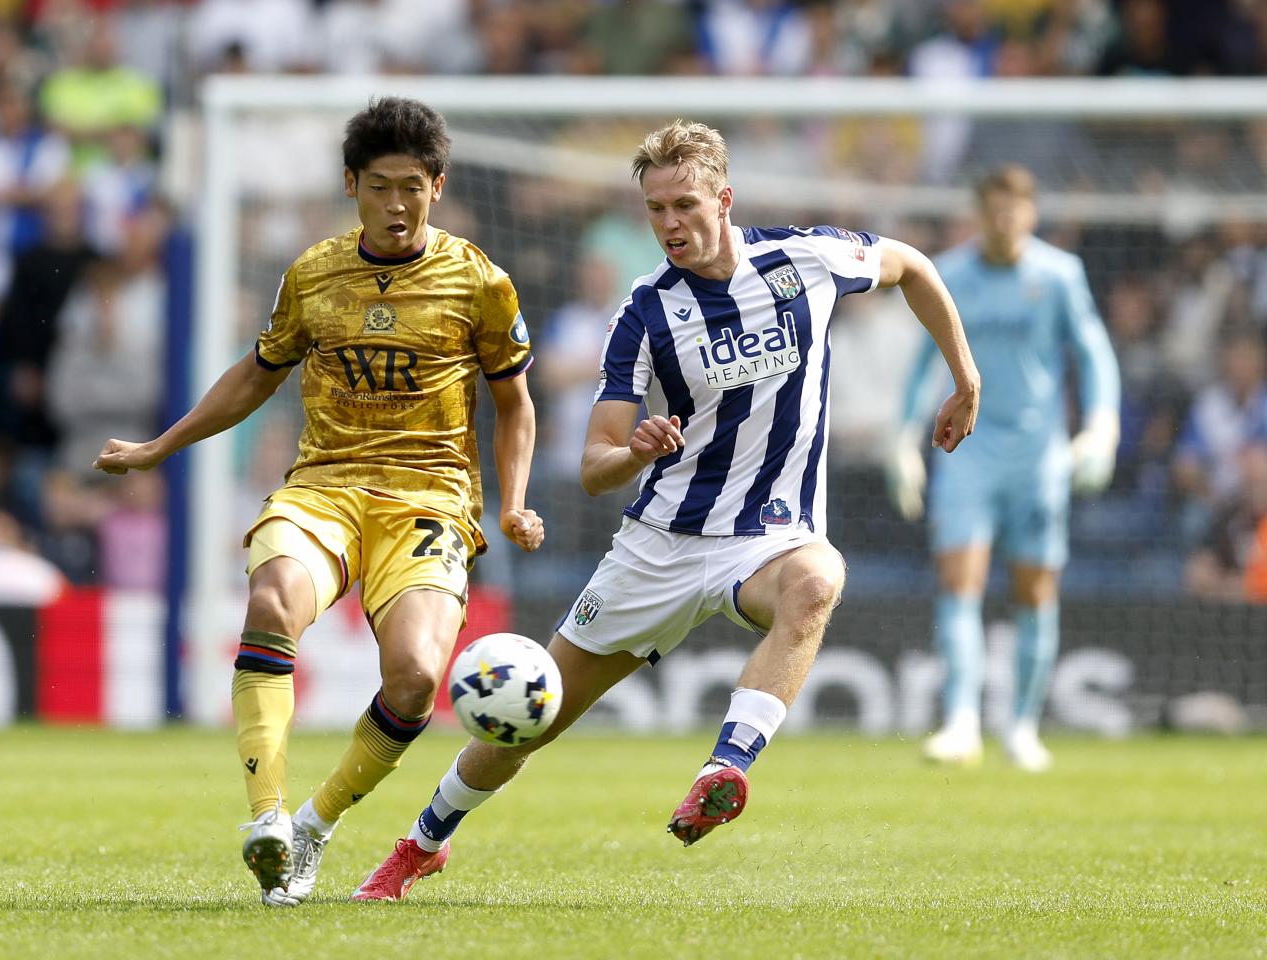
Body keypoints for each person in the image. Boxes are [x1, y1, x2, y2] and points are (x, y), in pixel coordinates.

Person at [349, 119, 980, 902]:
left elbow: (912, 265)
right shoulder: (644, 313)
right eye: (655, 210)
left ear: (725, 198)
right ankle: (421, 844)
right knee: (532, 718)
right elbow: (592, 466)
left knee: (817, 583)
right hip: (661, 545)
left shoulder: (805, 260)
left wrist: (964, 374)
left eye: (684, 204)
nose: (670, 224)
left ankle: (727, 768)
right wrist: (638, 452)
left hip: (770, 536)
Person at [91, 97, 544, 905]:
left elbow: (514, 402)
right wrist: (163, 445)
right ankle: (264, 820)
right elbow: (255, 376)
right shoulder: (312, 274)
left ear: (437, 186)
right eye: (379, 186)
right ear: (350, 184)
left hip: (429, 498)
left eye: (412, 186)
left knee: (411, 678)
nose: (396, 204)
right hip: (324, 486)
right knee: (271, 603)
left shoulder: (481, 281)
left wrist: (513, 502)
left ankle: (313, 825)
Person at [886, 164, 1120, 772]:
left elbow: (1093, 352)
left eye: (1014, 208)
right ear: (979, 211)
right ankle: (961, 721)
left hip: (1038, 458)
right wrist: (902, 440)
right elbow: (921, 365)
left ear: (1030, 213)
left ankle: (1022, 726)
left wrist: (1102, 425)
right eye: (993, 208)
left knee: (1034, 590)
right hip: (967, 453)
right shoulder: (952, 274)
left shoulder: (1059, 275)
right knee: (959, 580)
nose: (1003, 219)